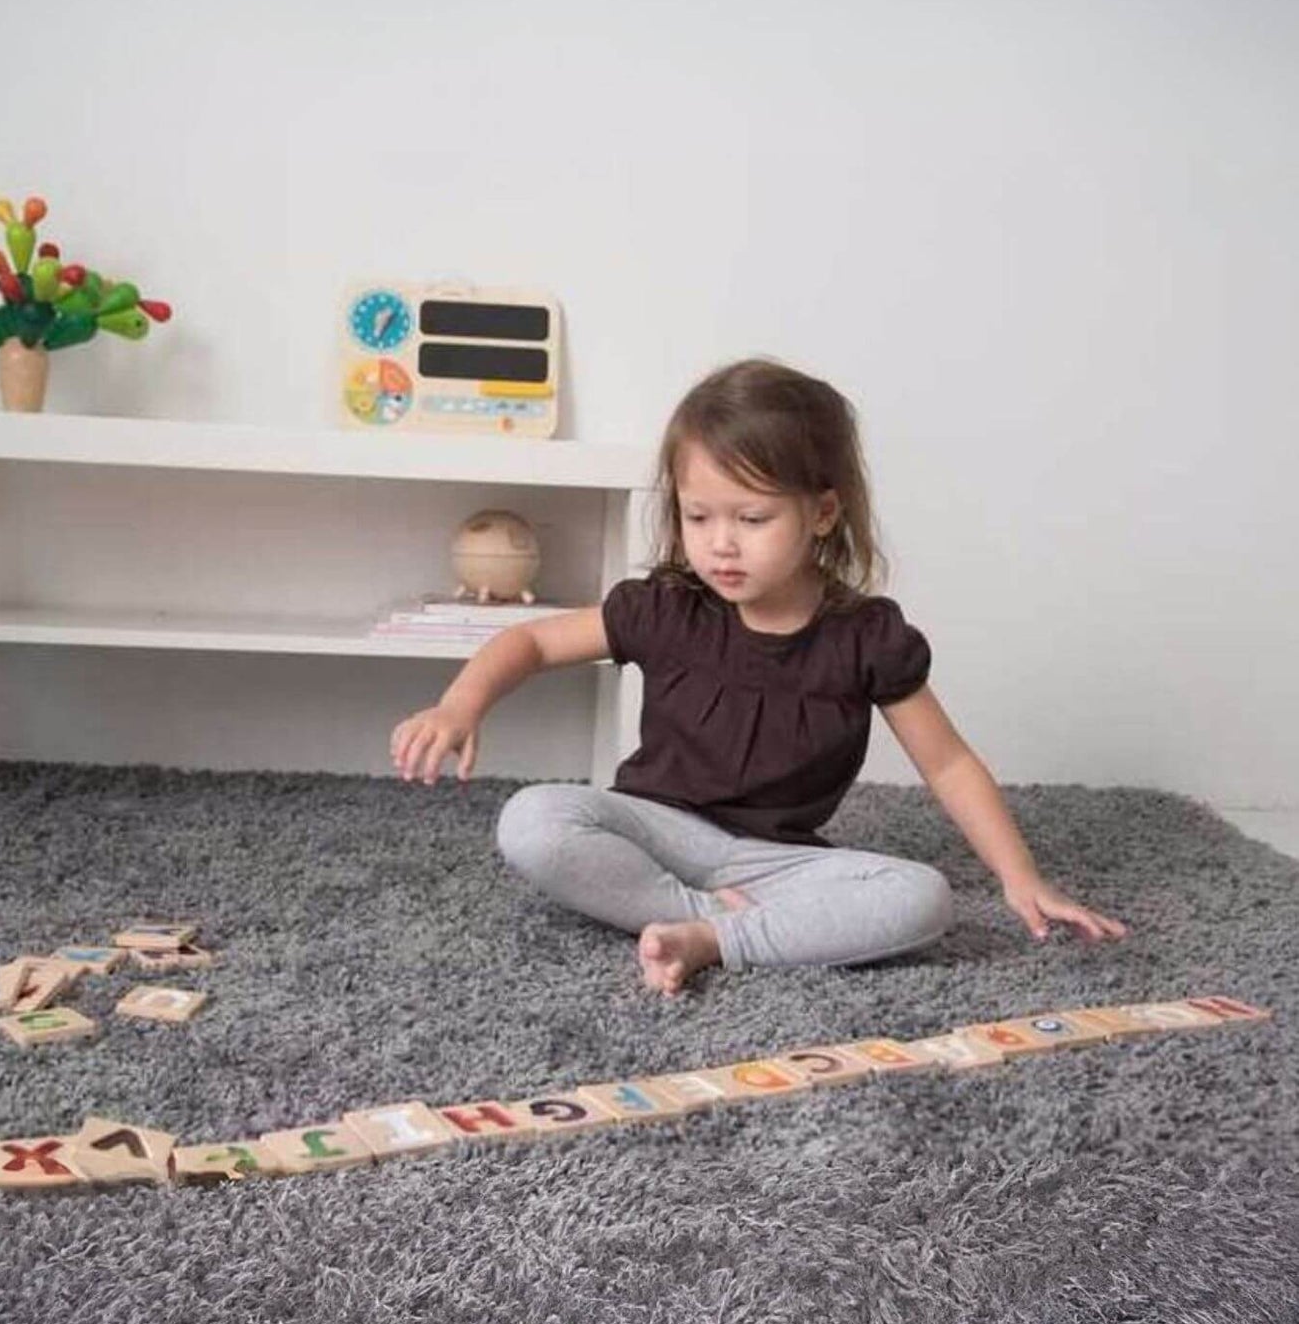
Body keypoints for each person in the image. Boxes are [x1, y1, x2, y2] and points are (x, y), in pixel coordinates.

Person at [390, 358, 1128, 996]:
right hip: (656, 832)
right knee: (533, 818)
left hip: (777, 860)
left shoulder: (864, 636)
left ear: (822, 512)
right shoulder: (668, 606)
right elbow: (531, 640)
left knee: (922, 898)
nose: (720, 543)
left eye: (751, 517)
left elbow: (946, 761)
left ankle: (713, 938)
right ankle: (698, 914)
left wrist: (1019, 876)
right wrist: (460, 705)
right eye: (698, 515)